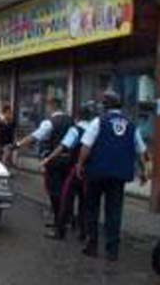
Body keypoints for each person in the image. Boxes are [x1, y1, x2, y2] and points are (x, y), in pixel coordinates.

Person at [77, 91, 148, 261]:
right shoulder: (131, 125)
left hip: (97, 173)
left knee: (92, 209)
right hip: (119, 175)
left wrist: (80, 164)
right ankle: (112, 251)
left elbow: (86, 146)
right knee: (114, 212)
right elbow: (142, 151)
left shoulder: (98, 121)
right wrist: (144, 172)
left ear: (105, 106)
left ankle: (92, 246)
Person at [13, 97, 73, 235]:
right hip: (69, 161)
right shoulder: (70, 121)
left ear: (51, 106)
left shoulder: (50, 122)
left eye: (48, 106)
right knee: (66, 191)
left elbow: (35, 136)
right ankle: (65, 220)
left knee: (55, 192)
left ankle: (59, 225)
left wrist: (17, 145)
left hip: (54, 161)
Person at [41, 101, 97, 241]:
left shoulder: (75, 129)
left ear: (79, 116)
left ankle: (60, 231)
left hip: (73, 170)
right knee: (85, 202)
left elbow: (63, 146)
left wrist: (48, 158)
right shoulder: (95, 130)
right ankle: (84, 233)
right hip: (89, 171)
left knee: (66, 200)